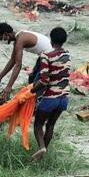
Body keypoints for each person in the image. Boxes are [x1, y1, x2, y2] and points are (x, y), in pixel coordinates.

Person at [30, 27, 71, 162]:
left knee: (38, 125)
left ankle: (41, 147)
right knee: (50, 125)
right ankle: (42, 156)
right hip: (64, 98)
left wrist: (32, 90)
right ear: (64, 40)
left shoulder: (46, 56)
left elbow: (44, 80)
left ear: (51, 39)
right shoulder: (67, 55)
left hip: (50, 98)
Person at [0, 22, 52, 103]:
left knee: (37, 84)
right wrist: (0, 76)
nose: (3, 40)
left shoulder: (21, 39)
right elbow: (12, 60)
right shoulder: (18, 38)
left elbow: (18, 65)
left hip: (51, 57)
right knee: (32, 78)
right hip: (44, 56)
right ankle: (32, 100)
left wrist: (9, 87)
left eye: (1, 38)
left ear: (6, 34)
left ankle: (36, 104)